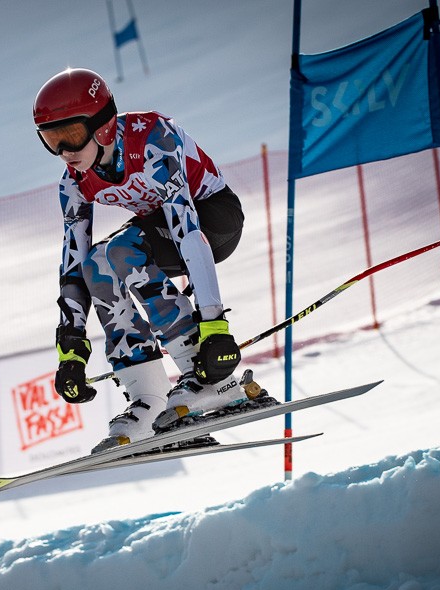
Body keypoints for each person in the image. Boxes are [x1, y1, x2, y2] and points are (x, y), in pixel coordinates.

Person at [34, 67, 266, 453]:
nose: (65, 152)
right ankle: (149, 397)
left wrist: (214, 326)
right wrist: (71, 347)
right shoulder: (74, 182)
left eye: (70, 135)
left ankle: (211, 380)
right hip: (160, 228)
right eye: (51, 140)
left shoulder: (152, 139)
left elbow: (187, 230)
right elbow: (73, 263)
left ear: (102, 126)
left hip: (213, 219)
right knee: (96, 265)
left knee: (121, 251)